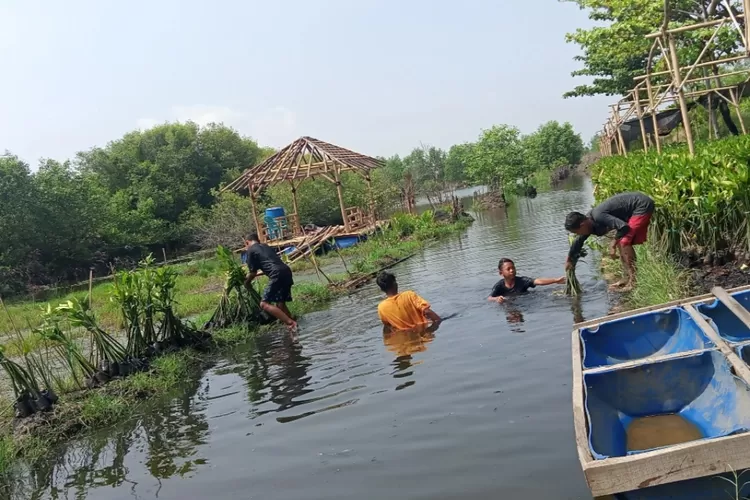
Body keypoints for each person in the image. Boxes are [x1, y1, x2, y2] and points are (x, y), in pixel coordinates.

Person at [564, 191, 655, 292]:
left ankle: (633, 282)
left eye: (577, 232)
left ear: (582, 225)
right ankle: (626, 278)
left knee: (624, 242)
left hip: (641, 205)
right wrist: (569, 261)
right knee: (621, 241)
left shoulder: (598, 216)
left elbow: (624, 227)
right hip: (633, 210)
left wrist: (612, 244)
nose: (578, 235)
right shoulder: (587, 223)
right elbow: (578, 242)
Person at [243, 233, 297, 332]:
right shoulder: (265, 246)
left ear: (247, 242)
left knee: (264, 304)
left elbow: (253, 273)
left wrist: (246, 282)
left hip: (276, 274)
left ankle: (291, 323)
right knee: (280, 304)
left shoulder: (250, 250)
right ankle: (293, 325)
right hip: (286, 271)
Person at [376, 271, 442, 330]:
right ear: (395, 284)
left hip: (404, 339)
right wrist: (439, 321)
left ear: (382, 289)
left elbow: (388, 326)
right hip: (422, 334)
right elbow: (427, 311)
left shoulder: (381, 307)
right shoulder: (409, 295)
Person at [488, 258, 565, 303]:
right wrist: (496, 299)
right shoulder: (499, 286)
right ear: (501, 273)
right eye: (508, 269)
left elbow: (538, 281)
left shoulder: (522, 281)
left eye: (513, 268)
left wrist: (556, 280)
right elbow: (489, 298)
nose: (512, 270)